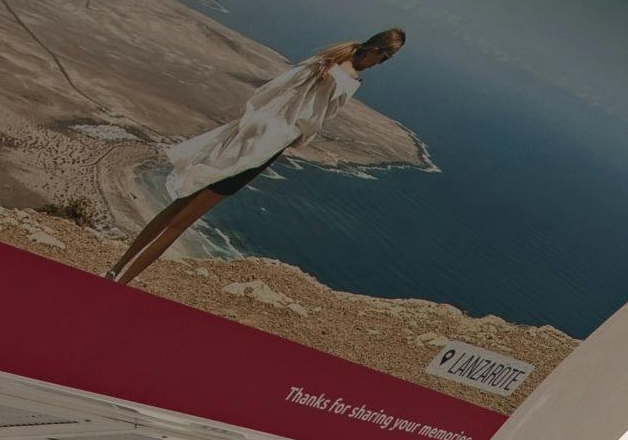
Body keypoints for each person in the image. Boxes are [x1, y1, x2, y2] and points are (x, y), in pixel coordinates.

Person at [108, 30, 406, 286]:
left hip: (247, 132)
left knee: (176, 208)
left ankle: (115, 269)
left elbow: (272, 90)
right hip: (263, 148)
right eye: (387, 58)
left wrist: (253, 123)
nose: (383, 64)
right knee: (180, 224)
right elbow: (310, 123)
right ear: (378, 52)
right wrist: (296, 138)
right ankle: (122, 283)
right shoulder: (347, 81)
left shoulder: (326, 59)